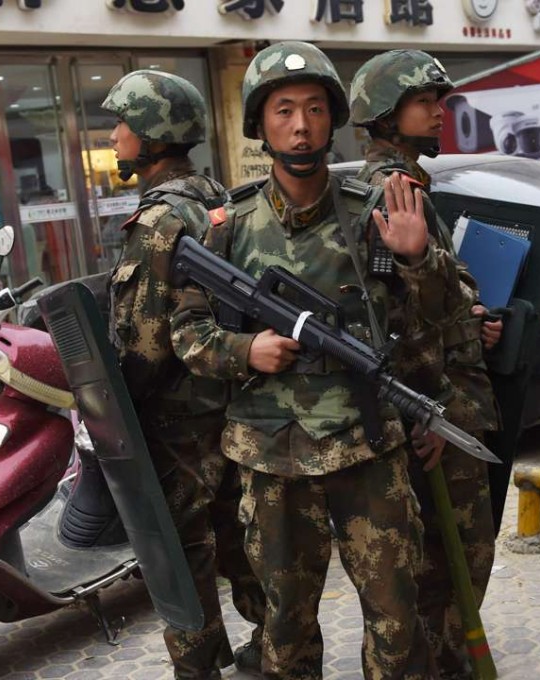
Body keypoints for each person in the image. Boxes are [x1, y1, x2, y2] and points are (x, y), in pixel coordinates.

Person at [171, 41, 471, 679]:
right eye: (283, 111)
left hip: (368, 447)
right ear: (260, 124)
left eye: (313, 109)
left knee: (398, 619)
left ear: (334, 120)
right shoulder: (226, 225)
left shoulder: (374, 212)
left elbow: (432, 325)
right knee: (284, 626)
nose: (301, 126)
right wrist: (244, 348)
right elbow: (187, 332)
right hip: (270, 457)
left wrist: (419, 260)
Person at [100, 69, 265, 680]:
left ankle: (198, 669)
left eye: (123, 123)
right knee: (244, 540)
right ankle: (279, 647)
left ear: (151, 133)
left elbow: (145, 345)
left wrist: (114, 412)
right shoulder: (218, 199)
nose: (114, 134)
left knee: (181, 553)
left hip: (178, 423)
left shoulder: (160, 220)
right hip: (235, 408)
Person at [349, 49, 502, 679]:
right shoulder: (392, 191)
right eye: (423, 103)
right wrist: (428, 410)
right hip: (437, 406)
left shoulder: (408, 184)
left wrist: (472, 317)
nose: (438, 114)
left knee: (448, 553)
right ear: (385, 115)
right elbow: (396, 321)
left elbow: (432, 300)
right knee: (456, 553)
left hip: (444, 398)